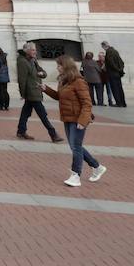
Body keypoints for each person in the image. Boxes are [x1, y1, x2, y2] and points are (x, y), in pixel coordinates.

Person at [44, 55, 105, 188]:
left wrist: (83, 121)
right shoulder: (63, 80)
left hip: (78, 119)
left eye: (59, 65)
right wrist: (46, 89)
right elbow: (60, 97)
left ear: (66, 66)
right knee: (74, 146)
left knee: (76, 147)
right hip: (67, 117)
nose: (57, 68)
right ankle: (97, 167)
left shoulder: (78, 81)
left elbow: (87, 103)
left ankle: (75, 175)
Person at [15, 42, 60, 143]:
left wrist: (42, 73)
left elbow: (43, 72)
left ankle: (21, 131)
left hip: (36, 89)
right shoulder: (22, 61)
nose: (35, 52)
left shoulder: (33, 60)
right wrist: (22, 93)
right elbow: (22, 79)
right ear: (27, 51)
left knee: (25, 112)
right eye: (33, 50)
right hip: (31, 91)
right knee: (42, 114)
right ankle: (53, 134)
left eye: (35, 50)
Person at [101, 41, 127, 107]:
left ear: (104, 46)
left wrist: (116, 69)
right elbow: (121, 62)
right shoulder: (115, 51)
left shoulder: (109, 52)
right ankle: (123, 103)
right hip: (117, 74)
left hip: (112, 73)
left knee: (115, 89)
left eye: (103, 47)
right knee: (120, 88)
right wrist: (120, 69)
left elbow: (111, 63)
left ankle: (119, 103)